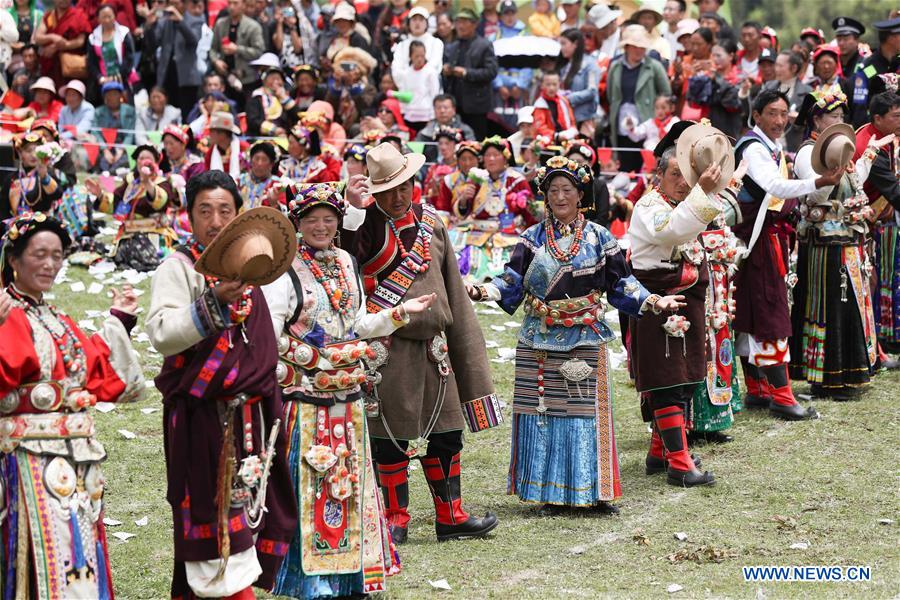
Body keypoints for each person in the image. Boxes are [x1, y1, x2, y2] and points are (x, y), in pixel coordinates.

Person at [467, 154, 680, 509]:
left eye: (567, 189)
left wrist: (655, 302)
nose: (560, 197)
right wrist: (484, 290)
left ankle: (592, 491)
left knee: (585, 415)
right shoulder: (532, 239)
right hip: (540, 336)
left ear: (581, 194)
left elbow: (621, 284)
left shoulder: (600, 238)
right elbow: (512, 280)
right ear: (545, 195)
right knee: (544, 413)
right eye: (553, 190)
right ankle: (547, 492)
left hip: (584, 334)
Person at [262, 183, 436, 597]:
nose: (321, 226)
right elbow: (268, 336)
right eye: (311, 220)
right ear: (297, 224)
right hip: (305, 398)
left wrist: (398, 313)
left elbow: (359, 324)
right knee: (312, 483)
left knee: (350, 481)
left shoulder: (345, 261)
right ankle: (313, 581)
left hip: (349, 396)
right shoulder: (283, 269)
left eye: (328, 219)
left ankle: (350, 576)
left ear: (339, 223)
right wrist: (314, 359)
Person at [146, 170, 297, 599]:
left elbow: (263, 345)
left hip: (252, 417)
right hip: (202, 418)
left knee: (246, 514)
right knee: (211, 529)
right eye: (205, 211)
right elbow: (162, 332)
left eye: (225, 211)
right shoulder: (178, 268)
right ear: (188, 216)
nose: (214, 220)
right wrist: (213, 303)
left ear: (238, 215)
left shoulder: (251, 267)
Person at [341, 142, 501, 544]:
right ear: (374, 191)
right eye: (389, 189)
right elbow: (344, 262)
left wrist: (471, 359)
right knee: (388, 436)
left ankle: (451, 515)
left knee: (446, 431)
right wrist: (355, 211)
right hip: (386, 351)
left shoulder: (433, 223)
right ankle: (394, 518)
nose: (398, 196)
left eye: (405, 185)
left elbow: (454, 293)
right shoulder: (363, 227)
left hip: (435, 350)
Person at [0, 212, 143, 599]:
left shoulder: (54, 317)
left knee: (74, 551)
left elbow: (91, 368)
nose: (49, 264)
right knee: (38, 553)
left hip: (73, 458)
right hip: (26, 460)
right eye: (39, 254)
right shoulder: (6, 315)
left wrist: (118, 320)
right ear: (13, 260)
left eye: (57, 255)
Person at [732, 89, 843, 419]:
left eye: (784, 113)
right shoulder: (752, 147)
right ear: (757, 115)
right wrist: (818, 181)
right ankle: (781, 396)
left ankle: (758, 388)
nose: (780, 120)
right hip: (759, 240)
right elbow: (775, 187)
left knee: (753, 310)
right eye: (772, 113)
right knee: (769, 310)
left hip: (768, 238)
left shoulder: (771, 145)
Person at [790, 86, 885, 400]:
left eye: (842, 115)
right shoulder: (808, 153)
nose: (839, 119)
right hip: (824, 247)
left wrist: (868, 153)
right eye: (833, 115)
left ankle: (851, 372)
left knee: (851, 305)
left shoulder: (840, 152)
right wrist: (830, 173)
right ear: (817, 120)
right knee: (830, 307)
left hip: (849, 241)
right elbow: (815, 195)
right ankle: (827, 377)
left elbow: (853, 184)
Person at [853, 91, 900, 356]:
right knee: (867, 283)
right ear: (878, 118)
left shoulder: (880, 135)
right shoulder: (871, 146)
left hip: (872, 221)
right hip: (859, 223)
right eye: (896, 116)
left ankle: (875, 348)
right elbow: (894, 192)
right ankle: (871, 350)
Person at [91, 144, 180, 271]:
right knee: (122, 250)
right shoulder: (130, 182)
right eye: (140, 158)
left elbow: (161, 203)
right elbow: (116, 204)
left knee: (140, 250)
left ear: (155, 163)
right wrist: (100, 195)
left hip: (152, 233)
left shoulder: (162, 182)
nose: (143, 161)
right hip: (129, 233)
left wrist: (147, 182)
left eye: (147, 158)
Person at [606, 24, 671, 173]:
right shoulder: (615, 67)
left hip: (646, 122)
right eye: (635, 46)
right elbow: (611, 96)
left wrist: (658, 115)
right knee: (624, 164)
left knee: (646, 165)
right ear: (627, 47)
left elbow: (666, 93)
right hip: (621, 122)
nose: (639, 50)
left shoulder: (654, 67)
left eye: (642, 47)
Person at [441, 8, 498, 140]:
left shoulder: (484, 45)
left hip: (476, 105)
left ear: (474, 24)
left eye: (464, 22)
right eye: (458, 22)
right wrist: (446, 71)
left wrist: (466, 73)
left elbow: (491, 71)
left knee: (476, 140)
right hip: (456, 105)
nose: (460, 26)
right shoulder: (452, 46)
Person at [149, 0, 205, 120]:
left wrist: (180, 21)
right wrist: (151, 25)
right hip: (167, 74)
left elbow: (194, 41)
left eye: (176, 4)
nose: (173, 7)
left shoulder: (196, 20)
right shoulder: (164, 21)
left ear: (184, 4)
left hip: (186, 78)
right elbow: (153, 43)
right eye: (171, 4)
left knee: (187, 115)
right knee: (168, 116)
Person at [848, 17, 900, 129]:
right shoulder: (868, 69)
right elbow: (859, 108)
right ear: (891, 39)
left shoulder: (897, 62)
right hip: (876, 130)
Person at [209, 0, 265, 101]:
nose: (231, 7)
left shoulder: (253, 26)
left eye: (235, 3)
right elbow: (212, 49)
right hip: (225, 77)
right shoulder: (220, 24)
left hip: (247, 79)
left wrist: (237, 49)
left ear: (244, 5)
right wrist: (216, 61)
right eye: (229, 3)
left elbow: (259, 52)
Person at [1, 131, 65, 217]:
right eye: (28, 150)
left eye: (36, 150)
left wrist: (44, 177)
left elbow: (57, 194)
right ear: (20, 153)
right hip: (16, 226)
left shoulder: (48, 173)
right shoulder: (11, 179)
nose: (33, 155)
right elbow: (3, 210)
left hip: (43, 226)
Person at [761, 51, 812, 153]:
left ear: (793, 68)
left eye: (780, 66)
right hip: (768, 145)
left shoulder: (807, 92)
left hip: (793, 146)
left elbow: (813, 122)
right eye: (776, 65)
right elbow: (755, 110)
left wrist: (800, 119)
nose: (776, 69)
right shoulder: (768, 86)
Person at [32, 0, 91, 88]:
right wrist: (52, 37)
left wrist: (58, 47)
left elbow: (80, 41)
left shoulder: (78, 15)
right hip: (50, 64)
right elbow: (38, 38)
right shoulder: (49, 16)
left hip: (70, 65)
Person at [87, 3, 136, 100]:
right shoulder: (92, 38)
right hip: (103, 82)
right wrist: (99, 77)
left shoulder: (124, 33)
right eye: (103, 17)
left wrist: (120, 75)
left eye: (109, 16)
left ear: (115, 16)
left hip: (123, 79)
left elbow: (129, 58)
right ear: (98, 19)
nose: (107, 20)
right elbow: (91, 62)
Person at [392, 40, 440, 133]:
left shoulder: (431, 72)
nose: (420, 59)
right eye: (416, 56)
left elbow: (435, 95)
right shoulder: (406, 73)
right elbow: (404, 94)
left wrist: (433, 116)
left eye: (422, 56)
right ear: (410, 56)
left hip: (426, 116)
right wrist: (403, 112)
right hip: (409, 116)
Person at [558, 28, 600, 129]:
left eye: (564, 44)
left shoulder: (590, 65)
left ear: (575, 44)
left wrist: (568, 98)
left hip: (584, 119)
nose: (561, 48)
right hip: (566, 118)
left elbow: (592, 91)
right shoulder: (564, 66)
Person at [91, 80, 136, 173]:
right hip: (105, 147)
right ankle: (107, 172)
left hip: (123, 147)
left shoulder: (130, 111)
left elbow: (130, 134)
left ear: (120, 95)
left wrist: (121, 149)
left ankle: (111, 172)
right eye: (108, 94)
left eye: (115, 94)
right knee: (100, 160)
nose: (111, 97)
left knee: (126, 159)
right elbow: (95, 132)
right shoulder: (98, 112)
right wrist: (105, 150)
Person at [415, 94, 476, 160]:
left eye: (446, 108)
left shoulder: (465, 130)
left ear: (454, 110)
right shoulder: (425, 132)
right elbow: (415, 153)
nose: (442, 111)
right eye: (438, 108)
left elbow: (473, 151)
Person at [246, 63, 300, 136]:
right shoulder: (256, 97)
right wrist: (274, 130)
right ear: (264, 81)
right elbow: (253, 121)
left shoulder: (289, 96)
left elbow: (297, 116)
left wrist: (284, 98)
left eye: (278, 79)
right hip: (261, 138)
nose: (275, 82)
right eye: (272, 78)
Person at [532, 71, 578, 142]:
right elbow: (540, 128)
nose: (551, 88)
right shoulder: (540, 105)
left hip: (567, 138)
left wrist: (572, 130)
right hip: (547, 141)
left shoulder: (564, 101)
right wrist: (556, 136)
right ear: (542, 85)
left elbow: (572, 121)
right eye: (548, 84)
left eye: (554, 84)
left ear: (559, 84)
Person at [203, 110, 248, 179]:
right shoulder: (210, 153)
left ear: (222, 134)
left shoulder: (244, 148)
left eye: (212, 131)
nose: (209, 134)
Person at [238, 140, 282, 210]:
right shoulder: (239, 181)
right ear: (251, 161)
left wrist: (275, 204)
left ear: (271, 164)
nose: (259, 163)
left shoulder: (277, 185)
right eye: (256, 158)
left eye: (264, 160)